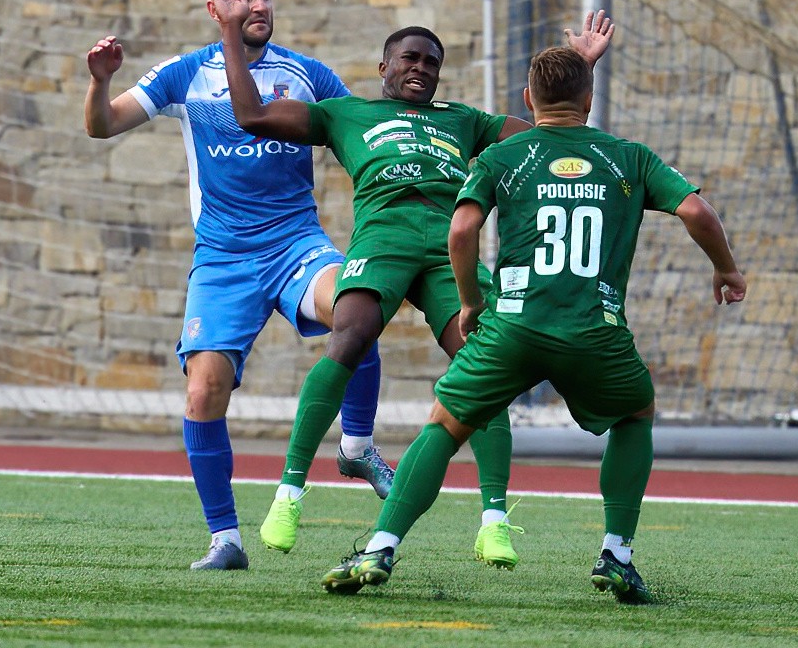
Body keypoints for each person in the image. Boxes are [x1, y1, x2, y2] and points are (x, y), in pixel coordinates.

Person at [211, 0, 614, 567]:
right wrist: (229, 33)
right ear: (384, 66)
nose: (421, 68)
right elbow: (251, 117)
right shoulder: (345, 113)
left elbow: (549, 130)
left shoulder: (463, 119)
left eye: (431, 61)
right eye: (410, 58)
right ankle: (288, 494)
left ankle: (494, 520)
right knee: (349, 337)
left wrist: (580, 67)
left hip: (450, 246)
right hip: (386, 235)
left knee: (484, 366)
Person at [318, 46, 747, 604]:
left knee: (445, 426)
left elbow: (460, 231)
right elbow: (696, 211)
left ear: (527, 99)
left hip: (512, 327)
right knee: (634, 414)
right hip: (594, 330)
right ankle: (616, 554)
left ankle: (380, 547)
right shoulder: (629, 157)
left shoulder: (505, 155)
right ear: (589, 99)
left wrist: (470, 302)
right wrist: (726, 268)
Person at [84, 0, 393, 571]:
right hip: (223, 255)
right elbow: (102, 125)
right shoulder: (183, 74)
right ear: (215, 7)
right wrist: (99, 81)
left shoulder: (306, 74)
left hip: (296, 244)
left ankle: (357, 445)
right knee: (203, 390)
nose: (258, 5)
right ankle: (225, 540)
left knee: (358, 306)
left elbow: (364, 133)